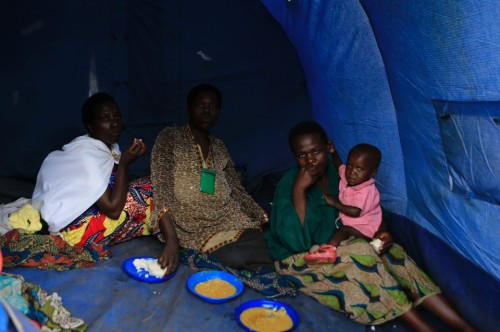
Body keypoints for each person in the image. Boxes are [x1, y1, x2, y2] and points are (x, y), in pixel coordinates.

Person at [266, 121, 475, 331]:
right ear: (295, 157)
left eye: (317, 151)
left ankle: (462, 325)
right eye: (302, 155)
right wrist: (299, 191)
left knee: (392, 251)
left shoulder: (340, 172)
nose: (311, 160)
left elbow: (371, 209)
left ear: (327, 147)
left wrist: (381, 232)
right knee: (361, 252)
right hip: (300, 259)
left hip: (341, 245)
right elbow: (295, 242)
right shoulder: (290, 183)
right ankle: (423, 328)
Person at [150, 83, 272, 275]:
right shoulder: (170, 137)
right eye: (200, 105)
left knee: (268, 239)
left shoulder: (219, 146)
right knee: (236, 256)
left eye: (213, 106)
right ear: (189, 109)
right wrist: (172, 241)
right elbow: (161, 189)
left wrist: (263, 218)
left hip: (226, 216)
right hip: (190, 224)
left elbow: (237, 190)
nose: (207, 111)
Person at [31, 92, 152, 248]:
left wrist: (122, 163)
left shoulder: (109, 148)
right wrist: (124, 163)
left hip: (91, 214)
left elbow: (119, 187)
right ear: (90, 126)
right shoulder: (86, 155)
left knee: (148, 185)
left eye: (117, 117)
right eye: (105, 119)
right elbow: (113, 210)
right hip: (75, 232)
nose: (114, 124)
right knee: (150, 190)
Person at [305, 143, 383, 264]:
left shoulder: (367, 191)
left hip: (366, 228)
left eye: (359, 169)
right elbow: (339, 166)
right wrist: (333, 152)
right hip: (354, 223)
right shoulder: (348, 177)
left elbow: (356, 212)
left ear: (372, 173)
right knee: (341, 229)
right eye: (350, 166)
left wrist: (335, 203)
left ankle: (328, 252)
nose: (352, 172)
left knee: (344, 230)